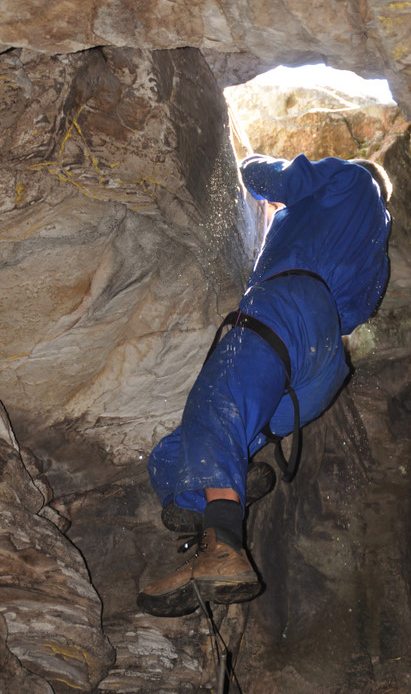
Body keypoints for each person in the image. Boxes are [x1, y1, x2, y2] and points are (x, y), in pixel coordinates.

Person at [137, 152, 392, 617]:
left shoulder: (351, 177)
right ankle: (215, 519)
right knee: (177, 451)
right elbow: (356, 314)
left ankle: (224, 546)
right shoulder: (377, 252)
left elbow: (270, 179)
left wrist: (253, 160)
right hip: (321, 367)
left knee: (215, 408)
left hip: (286, 306)